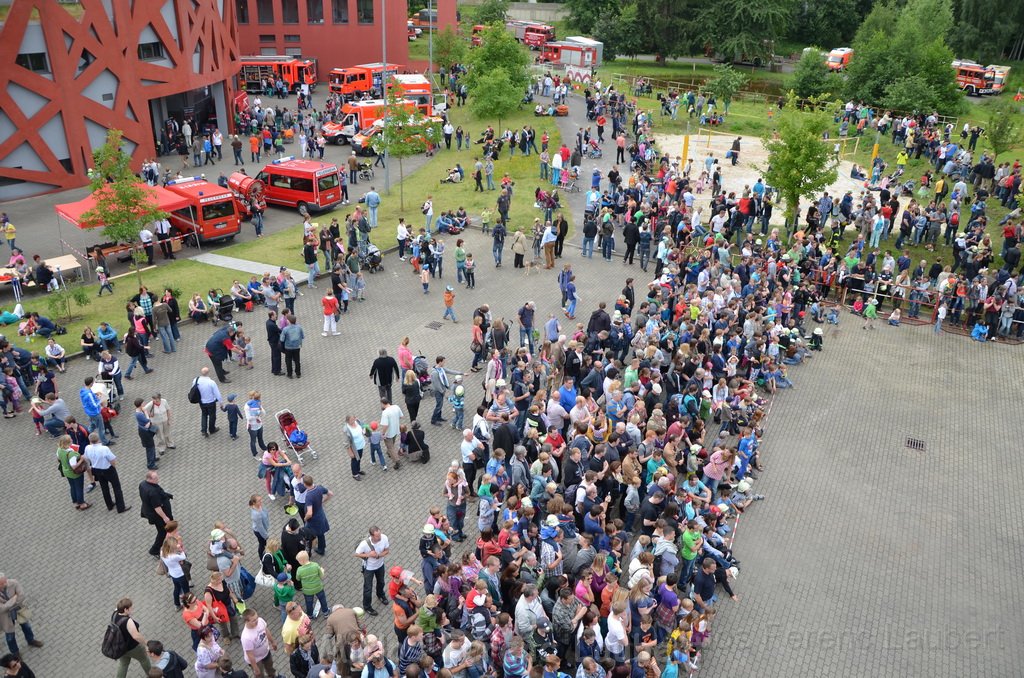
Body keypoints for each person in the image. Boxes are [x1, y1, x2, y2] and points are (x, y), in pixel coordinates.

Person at [84, 432, 128, 513]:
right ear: (98, 439)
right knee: (116, 488)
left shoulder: (87, 448)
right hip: (108, 469)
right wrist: (113, 467)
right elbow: (112, 459)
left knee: (104, 488)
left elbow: (86, 458)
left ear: (90, 440)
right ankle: (121, 507)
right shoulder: (104, 449)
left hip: (96, 470)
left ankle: (109, 505)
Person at [0, 575, 42, 657]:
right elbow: (1, 609)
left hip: (18, 610)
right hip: (5, 616)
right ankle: (15, 653)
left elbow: (21, 596)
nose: (5, 584)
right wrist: (14, 599)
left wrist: (8, 605)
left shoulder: (14, 583)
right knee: (10, 636)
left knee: (26, 626)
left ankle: (31, 640)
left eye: (5, 581)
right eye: (1, 583)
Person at [111, 598, 151, 678]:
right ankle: (153, 675)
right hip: (133, 648)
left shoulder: (115, 614)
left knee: (123, 664)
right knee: (144, 659)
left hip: (120, 647)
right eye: (130, 608)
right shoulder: (128, 621)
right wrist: (147, 643)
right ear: (125, 609)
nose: (132, 609)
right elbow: (136, 636)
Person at [355, 526, 390, 616]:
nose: (380, 537)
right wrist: (369, 554)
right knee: (368, 588)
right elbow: (356, 554)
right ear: (372, 536)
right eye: (377, 536)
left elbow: (387, 551)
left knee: (381, 582)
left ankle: (380, 595)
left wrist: (378, 556)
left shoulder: (384, 538)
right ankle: (367, 606)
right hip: (368, 568)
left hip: (380, 565)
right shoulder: (364, 544)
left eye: (380, 534)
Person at [139, 470, 174, 557]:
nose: (158, 479)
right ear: (149, 479)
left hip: (149, 510)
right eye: (156, 478)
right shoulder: (152, 492)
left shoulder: (143, 484)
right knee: (162, 531)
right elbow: (157, 508)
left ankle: (171, 535)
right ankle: (154, 550)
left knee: (165, 528)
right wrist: (165, 517)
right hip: (156, 515)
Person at [240, 608, 281, 678]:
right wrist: (255, 668)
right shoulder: (246, 637)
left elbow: (266, 631)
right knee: (260, 675)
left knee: (270, 667)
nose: (257, 621)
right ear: (246, 621)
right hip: (256, 660)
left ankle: (272, 676)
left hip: (266, 652)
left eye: (257, 618)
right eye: (253, 620)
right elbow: (250, 654)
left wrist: (273, 642)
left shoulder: (260, 621)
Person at [193, 367, 222, 437]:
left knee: (204, 415)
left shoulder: (196, 380)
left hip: (201, 402)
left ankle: (204, 430)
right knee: (212, 416)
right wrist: (221, 402)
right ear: (208, 373)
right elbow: (217, 393)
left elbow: (193, 389)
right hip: (210, 402)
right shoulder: (211, 382)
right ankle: (212, 429)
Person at [281, 314, 305, 378]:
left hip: (288, 347)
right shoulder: (299, 327)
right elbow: (303, 336)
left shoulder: (285, 329)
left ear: (289, 321)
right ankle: (298, 373)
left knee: (288, 360)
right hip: (297, 346)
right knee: (297, 360)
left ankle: (290, 374)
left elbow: (282, 339)